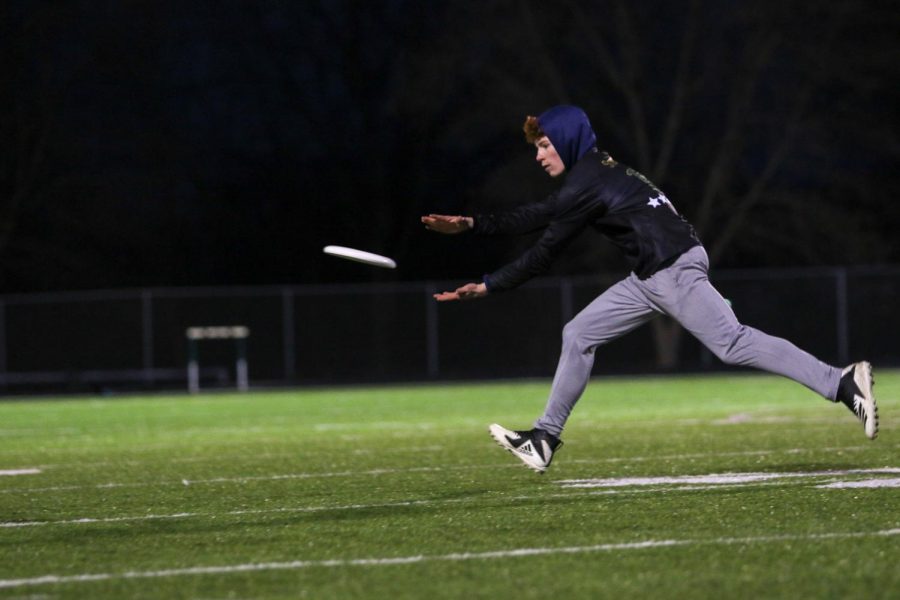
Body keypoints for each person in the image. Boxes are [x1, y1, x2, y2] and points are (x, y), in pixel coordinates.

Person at [421, 105, 878, 473]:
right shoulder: (597, 170)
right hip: (651, 274)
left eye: (544, 144)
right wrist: (473, 227)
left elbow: (542, 247)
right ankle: (544, 438)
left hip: (671, 268)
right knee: (579, 334)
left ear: (566, 139)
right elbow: (542, 218)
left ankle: (839, 381)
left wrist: (486, 277)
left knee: (732, 343)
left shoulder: (588, 180)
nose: (539, 155)